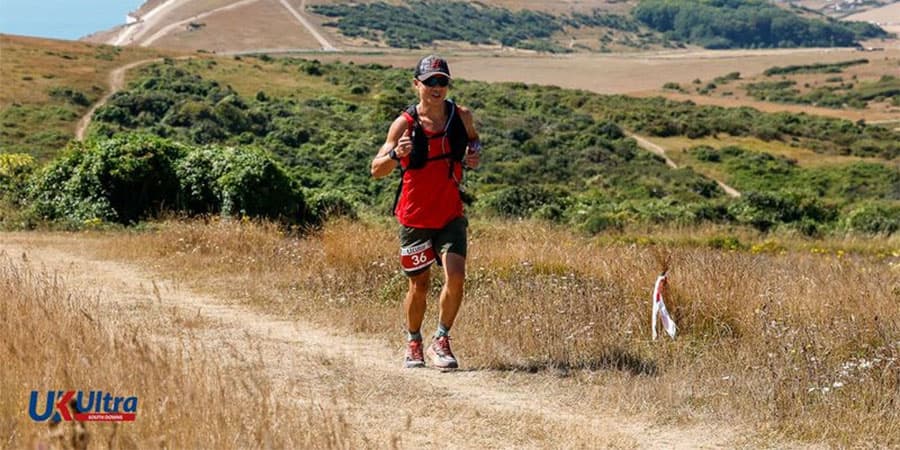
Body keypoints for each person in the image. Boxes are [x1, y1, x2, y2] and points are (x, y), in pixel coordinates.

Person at [370, 55, 481, 369]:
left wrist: (474, 155)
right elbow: (376, 169)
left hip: (449, 213)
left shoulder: (461, 116)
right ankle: (413, 341)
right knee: (419, 285)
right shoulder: (405, 123)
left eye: (442, 81)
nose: (437, 87)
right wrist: (395, 153)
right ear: (416, 84)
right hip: (415, 217)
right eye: (430, 81)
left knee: (456, 277)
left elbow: (474, 143)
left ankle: (441, 340)